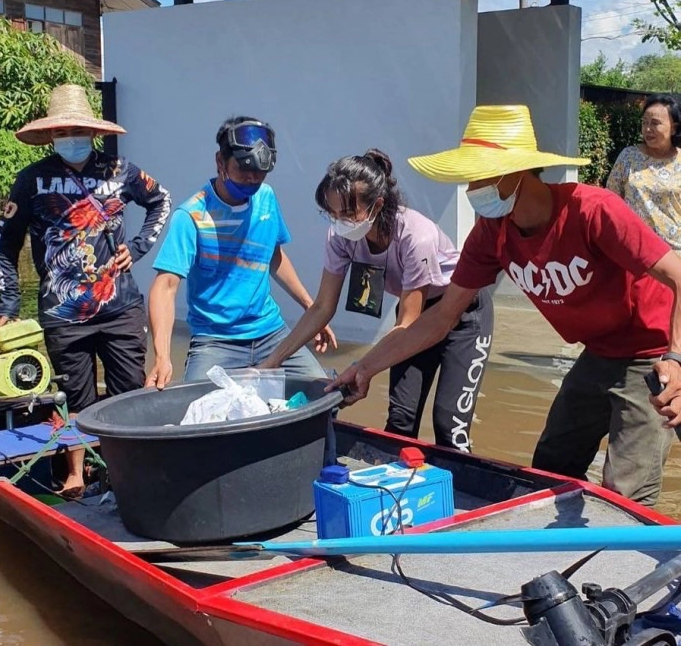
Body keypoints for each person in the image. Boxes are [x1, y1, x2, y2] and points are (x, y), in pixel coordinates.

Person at [329, 104, 681, 507]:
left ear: (514, 172)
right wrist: (365, 367)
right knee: (551, 466)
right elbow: (440, 318)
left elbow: (678, 276)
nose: (470, 190)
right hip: (598, 352)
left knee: (626, 493)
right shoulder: (491, 233)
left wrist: (676, 358)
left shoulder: (593, 211)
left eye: (478, 176)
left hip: (651, 350)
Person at [0, 84, 171, 498]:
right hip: (62, 312)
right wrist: (8, 302)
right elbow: (5, 241)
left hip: (121, 307)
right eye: (62, 132)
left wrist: (138, 247)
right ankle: (75, 471)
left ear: (92, 132)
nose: (71, 138)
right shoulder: (31, 181)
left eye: (77, 130)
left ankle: (131, 468)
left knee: (131, 392)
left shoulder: (120, 171)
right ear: (52, 136)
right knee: (72, 395)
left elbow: (161, 200)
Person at [261, 149, 494, 451]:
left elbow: (407, 326)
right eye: (331, 213)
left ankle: (463, 493)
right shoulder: (341, 238)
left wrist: (363, 367)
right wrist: (272, 362)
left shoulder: (415, 236)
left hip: (463, 314)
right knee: (400, 420)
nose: (339, 222)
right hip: (415, 313)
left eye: (347, 214)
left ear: (377, 205)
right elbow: (322, 307)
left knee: (450, 425)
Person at [146, 115, 335, 388]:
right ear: (220, 162)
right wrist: (162, 356)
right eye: (244, 169)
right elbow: (165, 285)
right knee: (197, 414)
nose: (252, 179)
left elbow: (273, 257)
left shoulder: (266, 198)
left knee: (322, 393)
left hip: (271, 332)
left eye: (260, 172)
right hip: (215, 339)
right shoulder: (191, 215)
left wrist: (310, 309)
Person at [607, 94, 681, 251]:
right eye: (644, 122)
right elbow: (611, 201)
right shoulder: (628, 156)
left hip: (675, 254)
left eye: (655, 123)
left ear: (674, 128)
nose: (648, 129)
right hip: (635, 251)